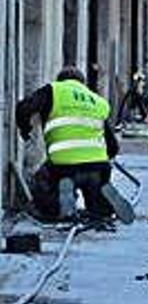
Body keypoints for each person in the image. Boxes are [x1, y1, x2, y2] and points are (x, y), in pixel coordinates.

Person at [15, 67, 133, 223]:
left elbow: (24, 107)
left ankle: (56, 208)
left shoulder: (54, 90)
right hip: (97, 166)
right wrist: (104, 159)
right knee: (97, 193)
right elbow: (112, 146)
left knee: (41, 183)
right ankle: (102, 204)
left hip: (63, 166)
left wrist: (25, 130)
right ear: (83, 83)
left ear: (60, 80)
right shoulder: (97, 101)